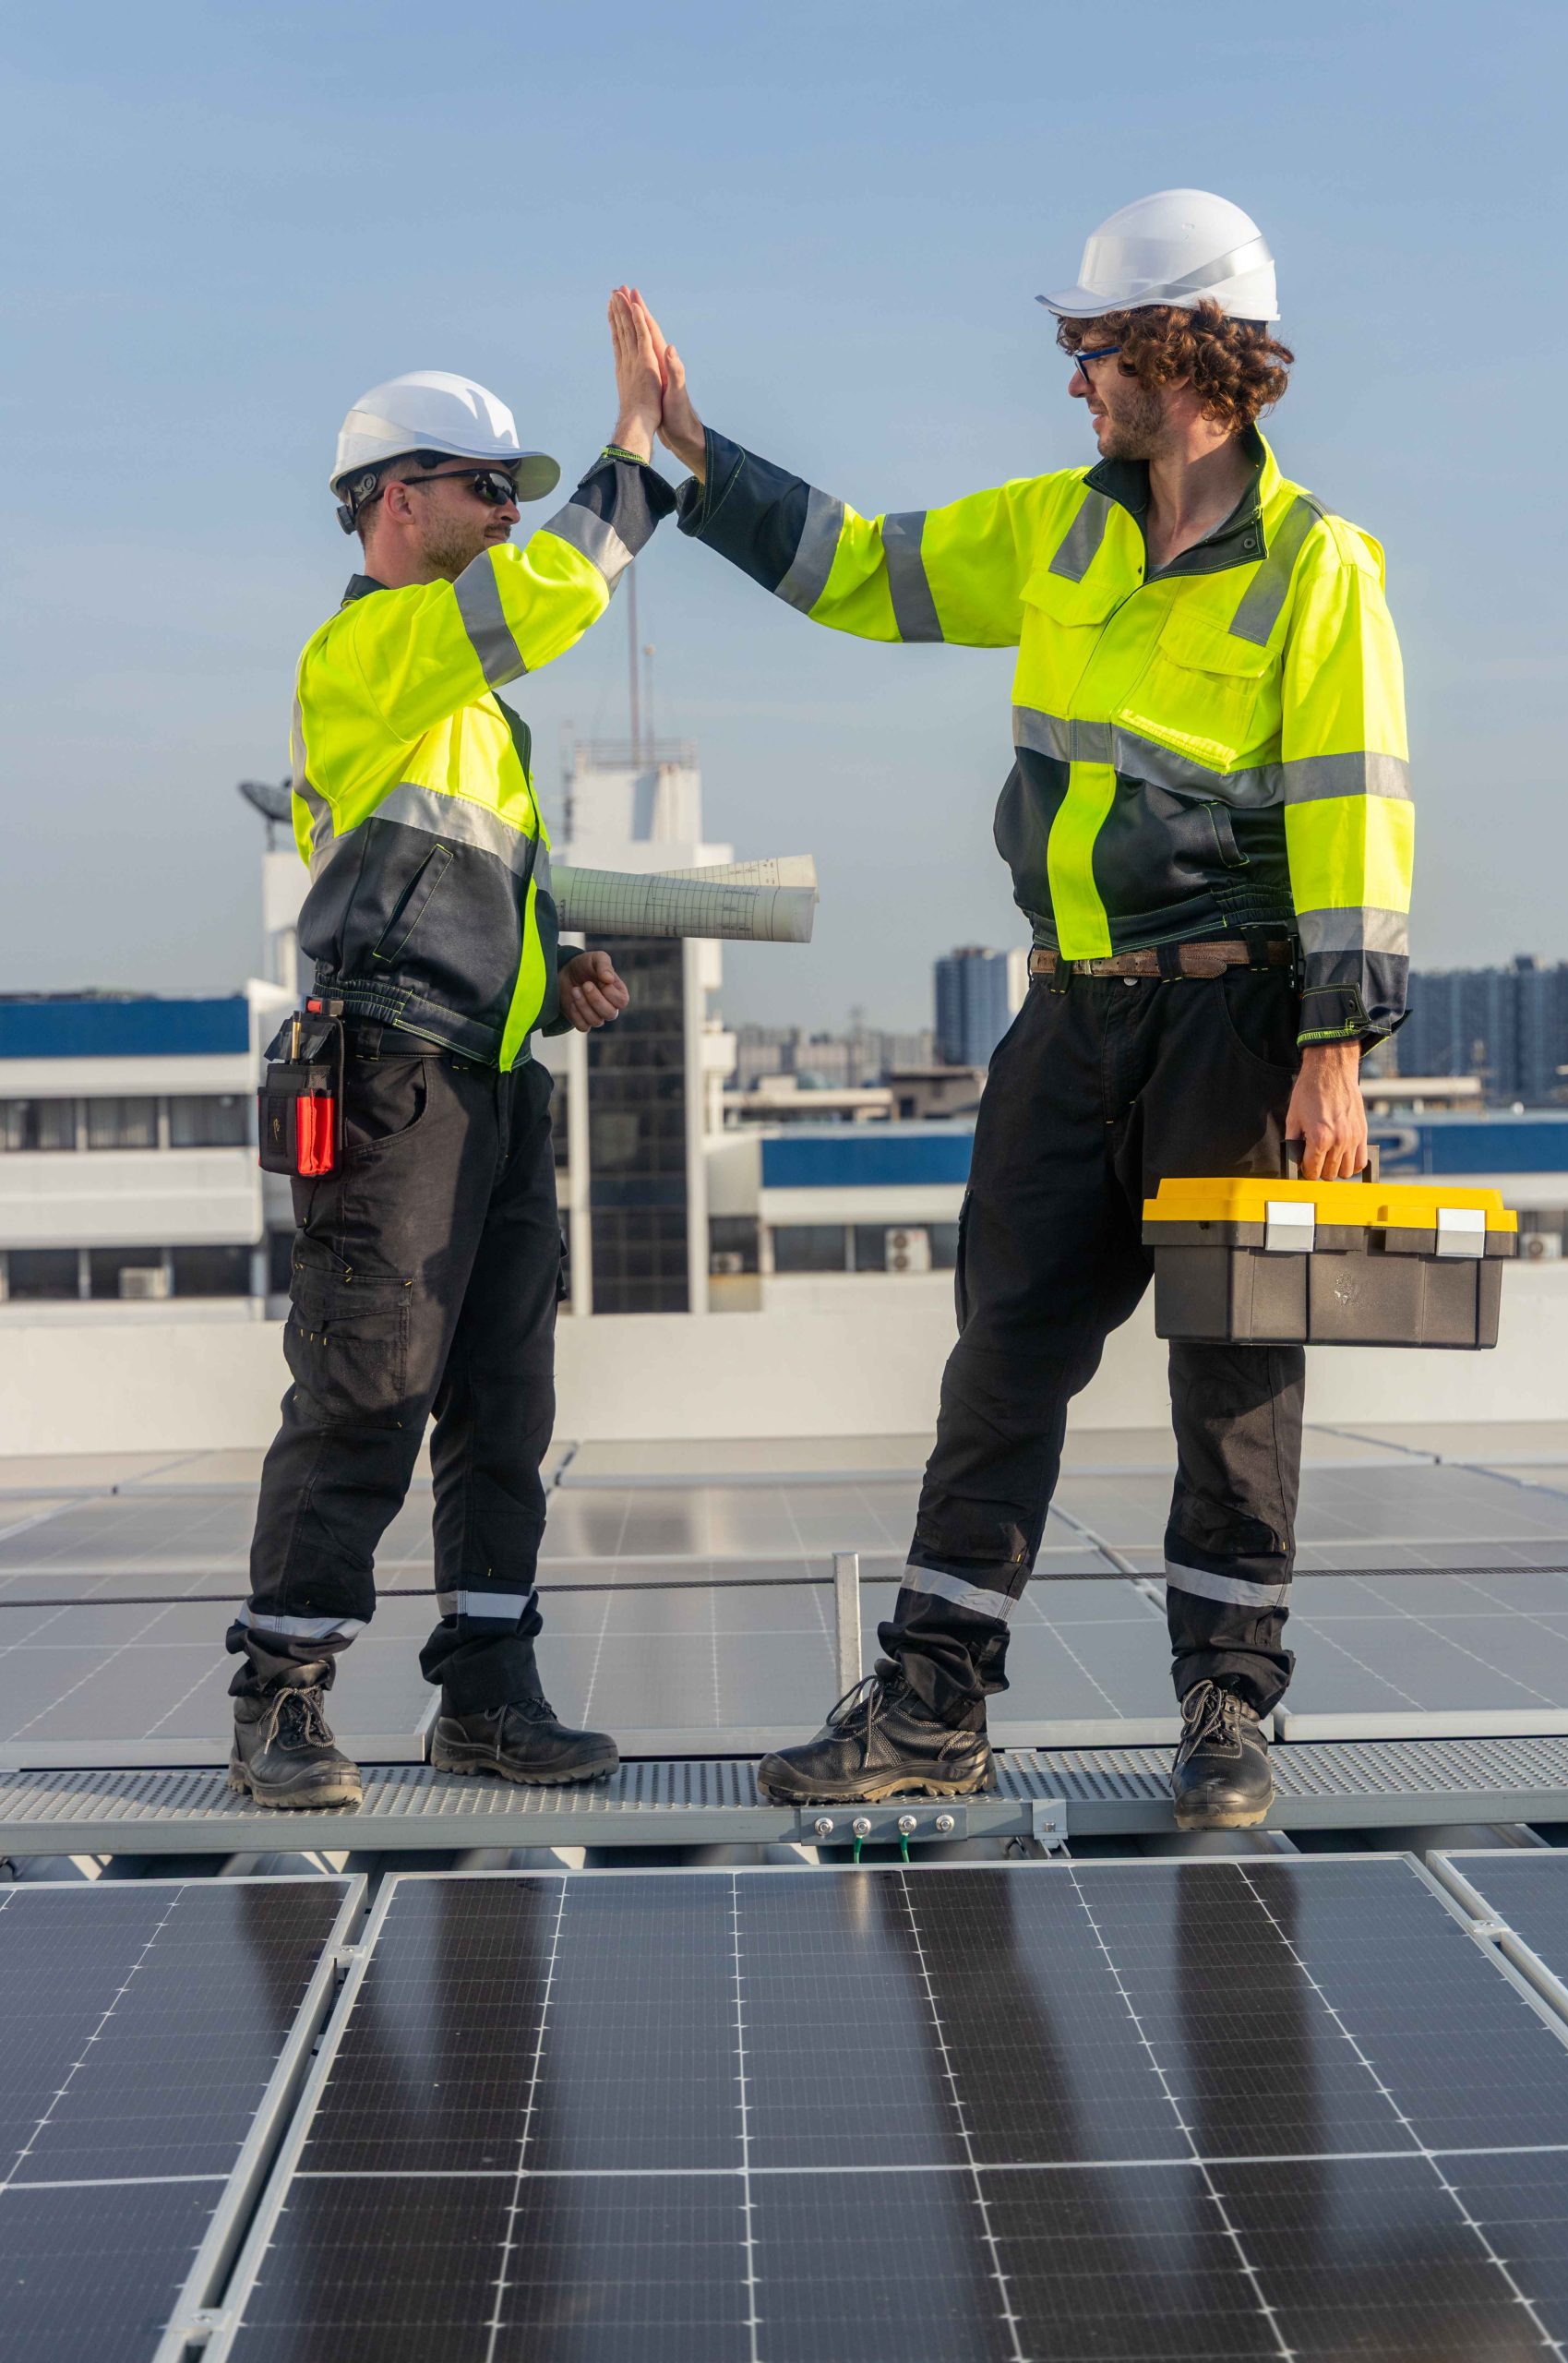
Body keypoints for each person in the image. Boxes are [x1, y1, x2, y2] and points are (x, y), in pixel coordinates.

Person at [632, 189, 1412, 1829]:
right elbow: (857, 568)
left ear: (1185, 350)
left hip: (1240, 1026)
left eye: (1095, 348)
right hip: (1069, 1026)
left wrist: (1336, 1054)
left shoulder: (1320, 568)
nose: (1073, 380)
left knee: (1238, 1372)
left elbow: (1355, 812)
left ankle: (1225, 1716)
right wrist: (696, 450)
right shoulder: (1053, 529)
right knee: (1003, 1361)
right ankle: (933, 1703)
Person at [228, 294, 675, 1809]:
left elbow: (453, 891)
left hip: (481, 1079)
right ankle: (280, 1697)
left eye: (518, 495)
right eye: (489, 489)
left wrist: (555, 978)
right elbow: (553, 597)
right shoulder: (376, 655)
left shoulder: (467, 709)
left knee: (502, 1398)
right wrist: (636, 458)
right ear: (395, 500)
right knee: (370, 1378)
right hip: (394, 1081)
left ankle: (486, 1695)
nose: (506, 515)